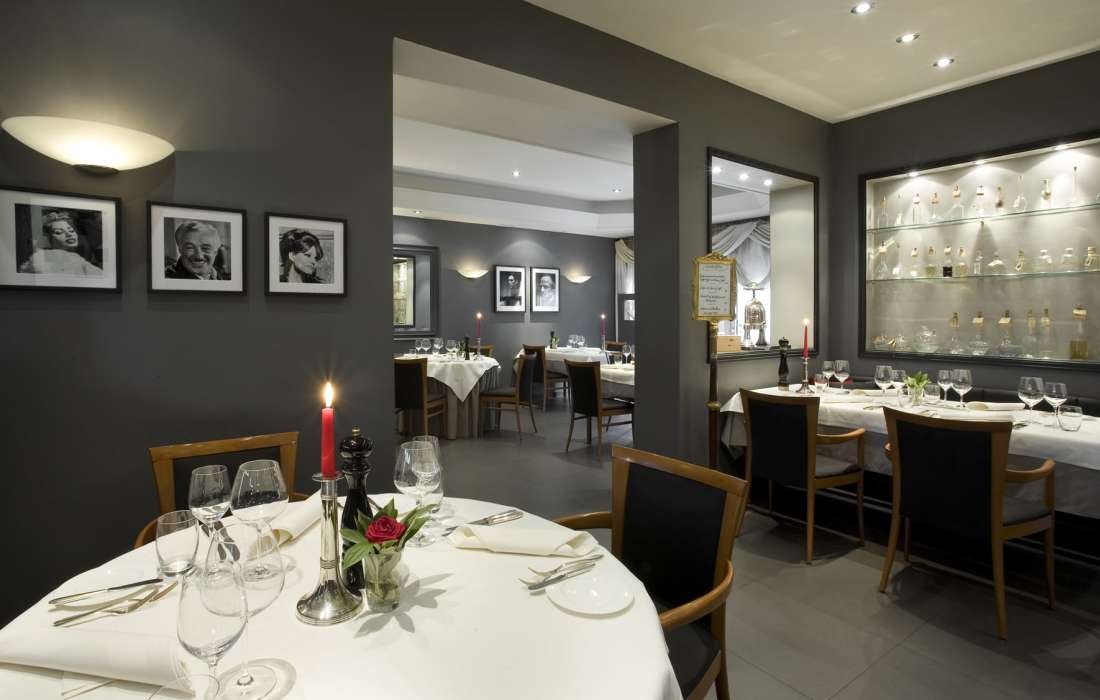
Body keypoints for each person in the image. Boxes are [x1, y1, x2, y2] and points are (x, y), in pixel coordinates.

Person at [18, 210, 102, 276]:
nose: (69, 234)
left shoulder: (76, 258)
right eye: (59, 232)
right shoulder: (41, 257)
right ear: (49, 238)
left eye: (71, 230)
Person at [164, 220, 229, 280]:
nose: (198, 256)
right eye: (190, 247)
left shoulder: (218, 275)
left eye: (205, 248)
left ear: (215, 252)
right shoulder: (167, 278)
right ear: (180, 250)